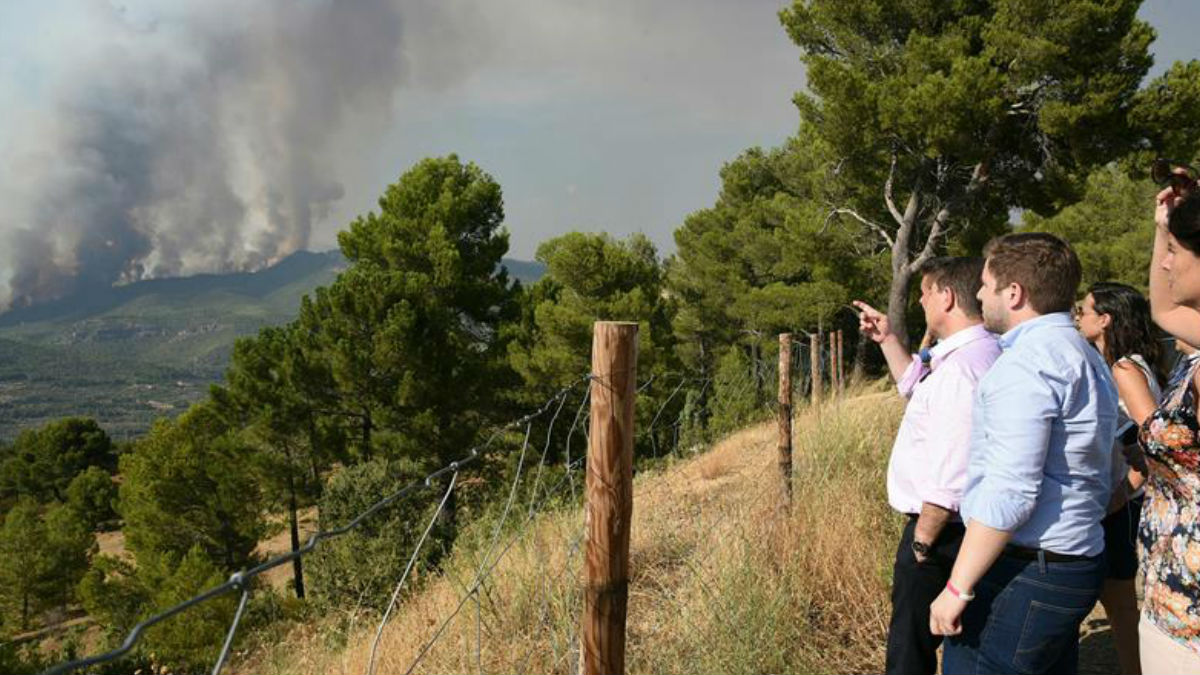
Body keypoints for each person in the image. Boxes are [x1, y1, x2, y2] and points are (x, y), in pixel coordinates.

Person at [928, 232, 1119, 675]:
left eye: (986, 284)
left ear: (1014, 293)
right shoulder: (1084, 355)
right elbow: (1111, 467)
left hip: (1030, 569)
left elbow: (1011, 491)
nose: (977, 293)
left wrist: (957, 587)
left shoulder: (1026, 365)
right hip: (1074, 561)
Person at [853, 257, 1000, 675]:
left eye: (925, 292)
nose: (919, 301)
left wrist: (921, 543)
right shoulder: (978, 352)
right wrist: (888, 339)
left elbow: (951, 472)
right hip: (966, 530)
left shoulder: (959, 369)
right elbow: (916, 391)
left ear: (946, 297)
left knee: (910, 652)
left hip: (940, 534)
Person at [1075, 282, 1163, 675]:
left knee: (1121, 604)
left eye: (1084, 311)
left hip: (1121, 504)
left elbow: (1147, 449)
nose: (1078, 317)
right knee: (1118, 602)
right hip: (1119, 501)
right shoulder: (1126, 364)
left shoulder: (1124, 369)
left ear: (1105, 319)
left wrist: (1118, 497)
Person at [1138, 184, 1200, 672]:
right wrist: (1165, 226)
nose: (1164, 264)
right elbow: (1162, 310)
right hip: (1171, 588)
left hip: (1190, 609)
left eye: (1174, 252)